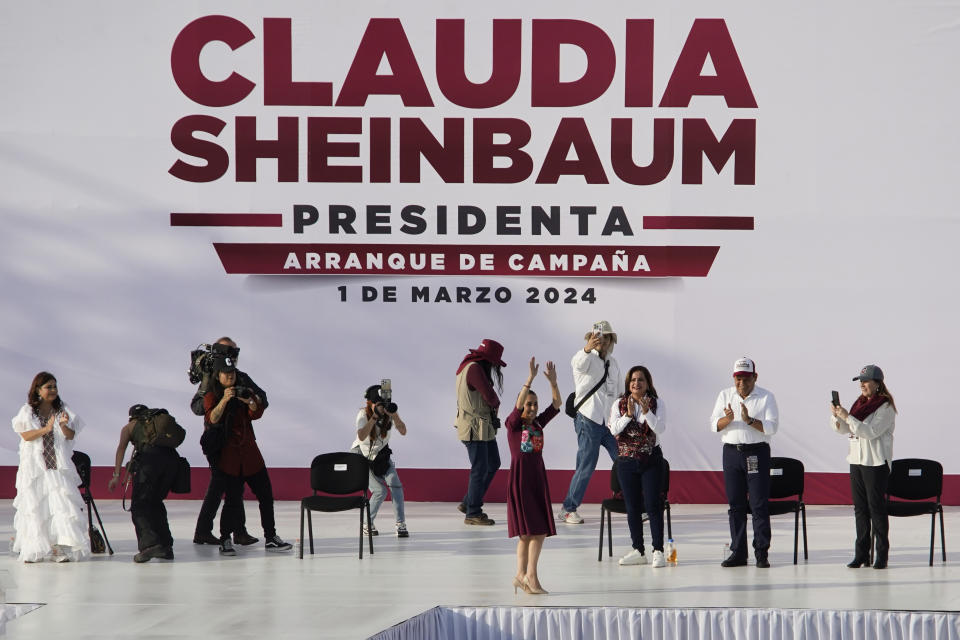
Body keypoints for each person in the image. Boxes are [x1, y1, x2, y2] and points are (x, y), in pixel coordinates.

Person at [203, 356, 292, 555]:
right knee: (233, 500)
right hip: (229, 458)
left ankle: (271, 537)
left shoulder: (244, 388)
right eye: (226, 374)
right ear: (218, 376)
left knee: (266, 496)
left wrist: (249, 400)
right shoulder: (212, 394)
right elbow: (212, 418)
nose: (230, 376)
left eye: (232, 373)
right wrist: (225, 399)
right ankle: (225, 539)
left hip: (251, 455)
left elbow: (256, 413)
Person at [191, 337, 267, 548]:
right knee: (220, 486)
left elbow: (263, 398)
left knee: (233, 488)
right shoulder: (211, 378)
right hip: (217, 442)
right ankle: (207, 531)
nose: (235, 357)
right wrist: (218, 395)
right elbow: (197, 408)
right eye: (233, 352)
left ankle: (234, 531)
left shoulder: (238, 377)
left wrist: (248, 397)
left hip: (234, 441)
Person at [11, 372, 90, 563]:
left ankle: (59, 548)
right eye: (49, 387)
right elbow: (25, 435)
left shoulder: (62, 409)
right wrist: (46, 429)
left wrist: (63, 426)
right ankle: (34, 548)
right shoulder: (28, 410)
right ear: (38, 390)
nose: (53, 390)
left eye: (55, 386)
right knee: (36, 505)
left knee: (60, 506)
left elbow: (71, 435)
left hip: (57, 467)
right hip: (35, 468)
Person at [710, 357, 779, 568]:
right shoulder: (725, 395)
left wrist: (749, 420)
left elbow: (771, 427)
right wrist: (728, 420)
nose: (742, 383)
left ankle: (761, 553)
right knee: (735, 505)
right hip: (731, 453)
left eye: (746, 379)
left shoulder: (766, 397)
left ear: (755, 377)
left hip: (755, 453)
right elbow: (714, 425)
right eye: (738, 378)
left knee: (758, 504)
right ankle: (738, 552)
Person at [830, 365, 896, 570]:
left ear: (878, 384)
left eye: (866, 381)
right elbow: (843, 430)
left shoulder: (886, 407)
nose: (862, 384)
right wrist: (836, 416)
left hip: (875, 463)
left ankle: (881, 555)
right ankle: (861, 555)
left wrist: (847, 416)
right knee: (860, 509)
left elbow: (871, 432)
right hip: (857, 460)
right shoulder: (859, 404)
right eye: (860, 381)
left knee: (876, 509)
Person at [506, 357, 561, 595]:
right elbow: (519, 404)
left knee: (529, 534)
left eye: (535, 404)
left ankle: (521, 575)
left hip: (537, 478)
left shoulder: (538, 422)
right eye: (529, 404)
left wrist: (553, 383)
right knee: (534, 531)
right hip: (521, 480)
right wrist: (529, 379)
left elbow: (557, 405)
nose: (532, 408)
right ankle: (531, 576)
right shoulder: (513, 425)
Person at [557, 321, 621, 525]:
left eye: (606, 337)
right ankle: (568, 508)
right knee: (586, 465)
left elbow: (618, 393)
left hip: (609, 422)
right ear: (590, 339)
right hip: (588, 419)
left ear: (611, 340)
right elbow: (576, 363)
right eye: (597, 337)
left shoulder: (614, 364)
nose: (602, 341)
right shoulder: (585, 358)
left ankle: (634, 503)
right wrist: (587, 349)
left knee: (624, 461)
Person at [609, 365, 668, 568]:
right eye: (633, 380)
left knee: (653, 505)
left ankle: (658, 550)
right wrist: (628, 415)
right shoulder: (619, 404)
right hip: (626, 461)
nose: (636, 383)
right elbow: (613, 429)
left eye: (640, 380)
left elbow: (659, 427)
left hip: (651, 459)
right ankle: (638, 550)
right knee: (632, 507)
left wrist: (646, 412)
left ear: (647, 383)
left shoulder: (656, 403)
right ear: (628, 383)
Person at [107, 405, 178, 563]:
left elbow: (121, 449)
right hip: (172, 462)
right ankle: (166, 547)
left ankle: (149, 545)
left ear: (131, 417)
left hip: (149, 462)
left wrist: (116, 475)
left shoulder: (129, 427)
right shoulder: (156, 425)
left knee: (139, 506)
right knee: (155, 503)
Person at [455, 339, 506, 525]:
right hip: (475, 427)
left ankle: (469, 502)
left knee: (493, 462)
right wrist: (496, 405)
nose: (494, 367)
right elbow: (490, 397)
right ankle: (473, 513)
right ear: (488, 359)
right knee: (480, 468)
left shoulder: (467, 366)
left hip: (480, 427)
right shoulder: (475, 369)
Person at [351, 384, 410, 538]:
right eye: (378, 404)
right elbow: (362, 436)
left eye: (383, 404)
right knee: (379, 491)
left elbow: (403, 431)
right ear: (370, 403)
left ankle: (400, 523)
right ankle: (367, 524)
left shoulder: (389, 414)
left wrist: (395, 415)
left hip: (381, 454)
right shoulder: (363, 414)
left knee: (395, 484)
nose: (381, 407)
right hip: (361, 454)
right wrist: (374, 417)